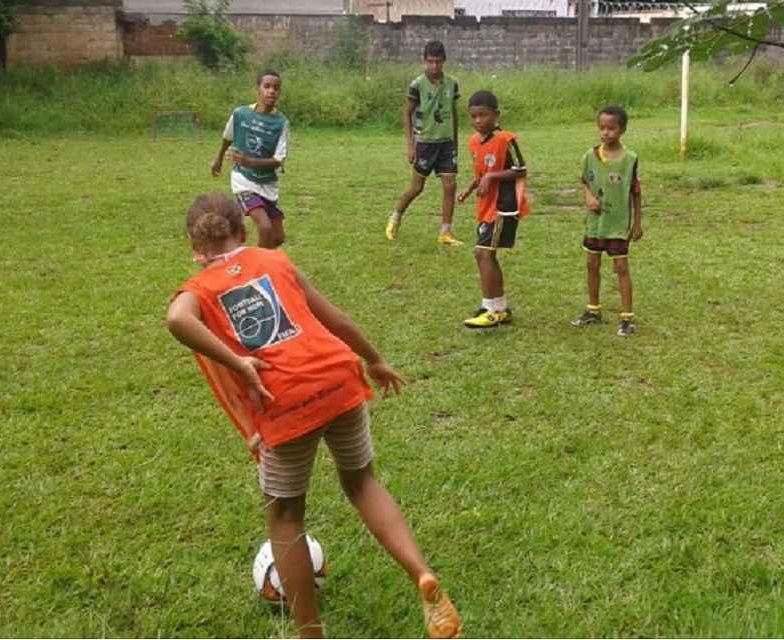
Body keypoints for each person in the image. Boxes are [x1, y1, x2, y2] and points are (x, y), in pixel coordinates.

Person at [166, 193, 462, 639]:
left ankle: (310, 632)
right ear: (243, 231)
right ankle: (421, 573)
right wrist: (375, 360)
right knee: (362, 482)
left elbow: (177, 320)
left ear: (194, 246)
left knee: (285, 518)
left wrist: (239, 362)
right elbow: (336, 319)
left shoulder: (198, 290)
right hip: (339, 378)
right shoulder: (276, 260)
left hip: (284, 400)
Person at [569, 105, 643, 337]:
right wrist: (588, 197)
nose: (605, 132)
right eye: (601, 127)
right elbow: (584, 181)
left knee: (621, 267)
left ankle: (627, 317)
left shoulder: (630, 159)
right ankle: (593, 310)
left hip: (618, 223)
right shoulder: (589, 156)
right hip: (595, 223)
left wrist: (637, 223)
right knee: (592, 263)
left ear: (622, 130)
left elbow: (636, 192)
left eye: (611, 128)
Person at [457, 90, 529, 329]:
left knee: (483, 253)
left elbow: (520, 169)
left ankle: (490, 309)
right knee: (487, 254)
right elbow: (481, 173)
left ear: (496, 115)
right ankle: (500, 308)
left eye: (483, 115)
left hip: (503, 206)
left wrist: (492, 177)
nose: (478, 120)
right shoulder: (473, 142)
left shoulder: (505, 139)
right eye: (474, 116)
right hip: (485, 206)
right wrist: (470, 188)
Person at [385, 41, 464, 247]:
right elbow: (407, 112)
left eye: (438, 62)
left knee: (450, 185)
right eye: (430, 62)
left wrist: (455, 141)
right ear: (424, 61)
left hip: (446, 143)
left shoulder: (452, 84)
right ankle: (395, 217)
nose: (434, 66)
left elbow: (453, 113)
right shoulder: (417, 85)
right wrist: (410, 144)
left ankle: (445, 232)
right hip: (425, 142)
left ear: (444, 61)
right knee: (417, 187)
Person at [211, 70, 291, 249]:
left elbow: (278, 159)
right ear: (257, 90)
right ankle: (257, 265)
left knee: (277, 238)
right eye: (267, 86)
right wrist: (219, 159)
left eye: (276, 88)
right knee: (265, 227)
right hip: (243, 179)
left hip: (268, 183)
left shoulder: (281, 123)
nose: (271, 91)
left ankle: (253, 258)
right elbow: (228, 137)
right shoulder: (241, 114)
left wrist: (250, 161)